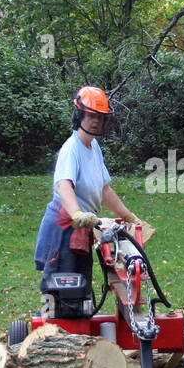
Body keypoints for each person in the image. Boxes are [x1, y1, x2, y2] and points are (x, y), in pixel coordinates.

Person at [33, 86, 149, 284]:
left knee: (81, 286)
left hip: (83, 226)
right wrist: (77, 214)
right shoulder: (72, 149)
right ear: (79, 115)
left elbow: (104, 189)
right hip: (65, 227)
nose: (95, 121)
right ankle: (51, 311)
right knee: (62, 288)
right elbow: (63, 185)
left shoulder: (94, 147)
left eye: (100, 117)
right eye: (90, 115)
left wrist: (128, 216)